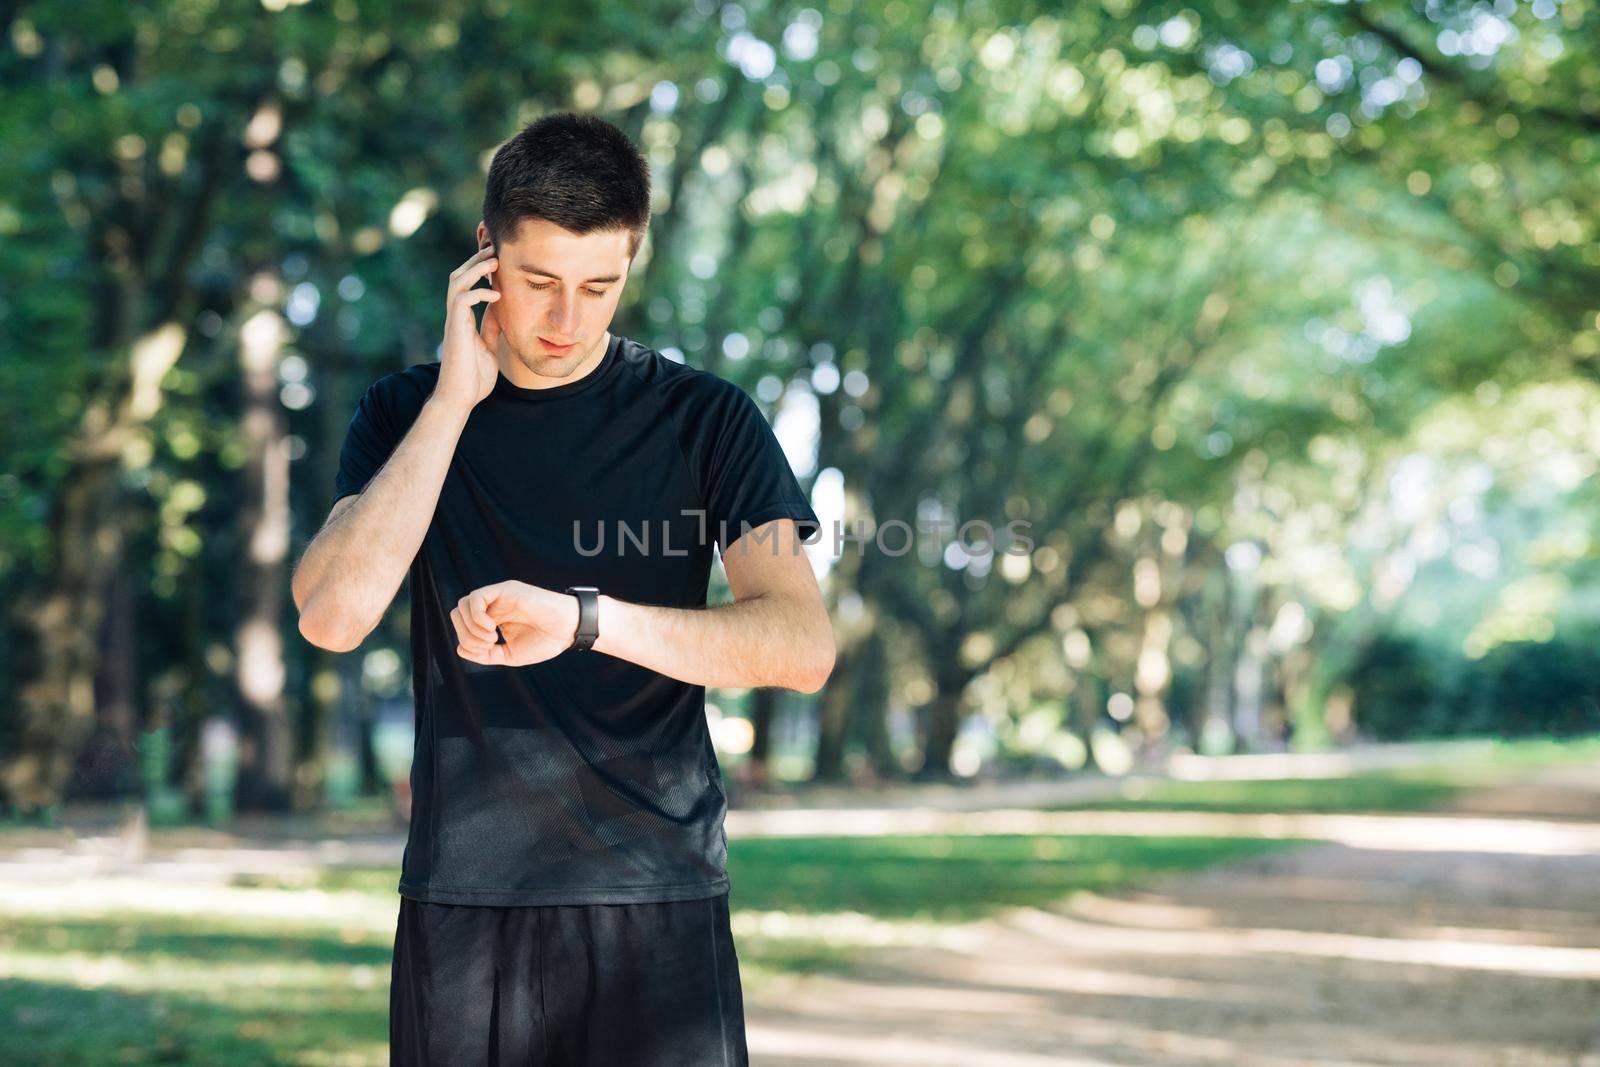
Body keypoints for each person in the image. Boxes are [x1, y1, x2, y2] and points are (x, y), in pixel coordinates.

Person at [290, 111, 836, 1067]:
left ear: (632, 262)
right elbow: (332, 616)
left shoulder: (706, 419)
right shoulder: (401, 415)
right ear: (484, 254)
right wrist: (454, 403)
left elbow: (799, 643)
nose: (565, 320)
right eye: (537, 281)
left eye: (599, 287)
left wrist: (588, 621)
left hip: (659, 895)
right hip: (465, 901)